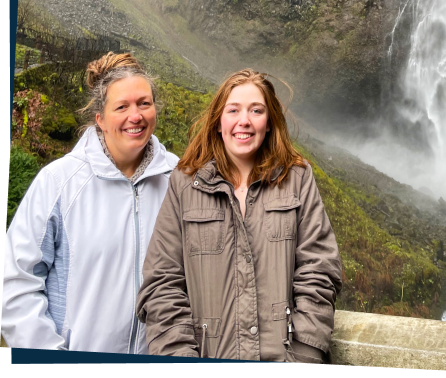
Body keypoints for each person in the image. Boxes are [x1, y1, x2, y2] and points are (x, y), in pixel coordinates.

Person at [136, 69, 343, 363]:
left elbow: (318, 271)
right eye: (233, 110)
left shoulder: (297, 178)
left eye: (256, 110)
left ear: (269, 123)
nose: (243, 121)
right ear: (219, 122)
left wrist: (304, 355)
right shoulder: (185, 184)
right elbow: (162, 282)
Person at [2, 52, 179, 354]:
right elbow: (16, 281)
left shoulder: (178, 181)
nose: (135, 116)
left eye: (144, 103)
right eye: (121, 106)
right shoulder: (58, 182)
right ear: (100, 119)